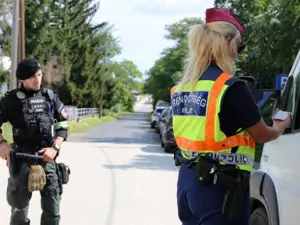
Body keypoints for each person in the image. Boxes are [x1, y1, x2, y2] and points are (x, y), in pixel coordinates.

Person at [171, 7, 291, 225]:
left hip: (188, 183)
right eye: (239, 45)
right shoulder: (231, 87)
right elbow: (262, 134)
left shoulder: (182, 88)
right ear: (226, 43)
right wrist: (280, 127)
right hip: (219, 189)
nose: (238, 53)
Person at [0, 58, 69, 225]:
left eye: (39, 75)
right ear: (22, 79)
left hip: (47, 157)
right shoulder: (11, 100)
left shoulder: (50, 97)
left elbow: (62, 124)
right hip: (21, 159)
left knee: (53, 209)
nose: (37, 80)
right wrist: (2, 144)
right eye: (32, 77)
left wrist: (55, 147)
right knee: (19, 211)